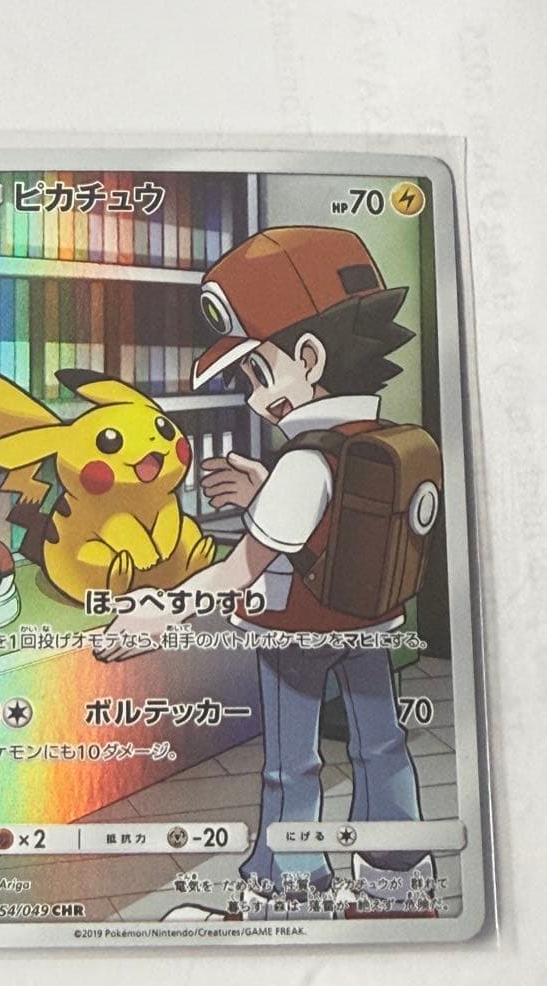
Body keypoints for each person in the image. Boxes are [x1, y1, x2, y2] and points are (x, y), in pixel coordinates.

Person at [96, 227, 433, 918]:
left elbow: (240, 570)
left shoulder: (303, 462)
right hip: (368, 624)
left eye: (258, 372)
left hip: (294, 634)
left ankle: (288, 894)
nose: (254, 398)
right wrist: (263, 494)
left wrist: (162, 609)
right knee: (382, 746)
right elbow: (331, 528)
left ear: (310, 357)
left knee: (292, 765)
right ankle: (396, 884)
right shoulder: (375, 438)